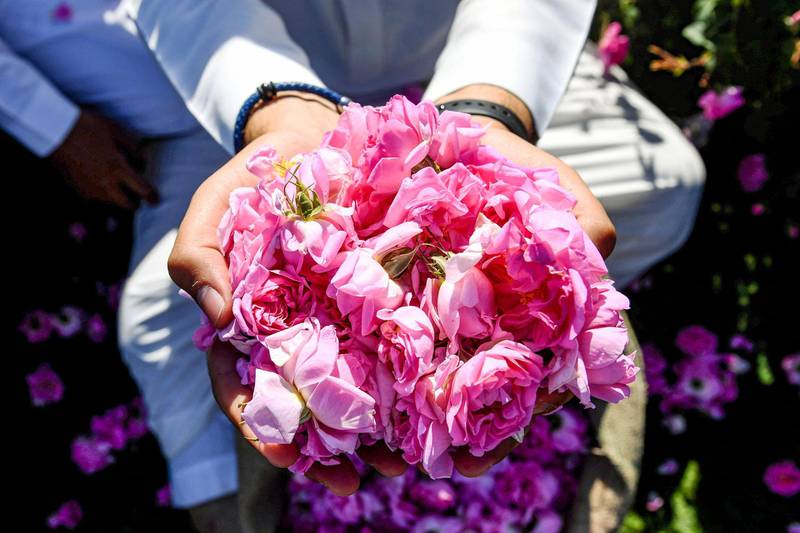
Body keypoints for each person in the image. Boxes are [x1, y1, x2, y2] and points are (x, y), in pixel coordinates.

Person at [124, 1, 704, 531]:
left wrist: (487, 111)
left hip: (469, 65)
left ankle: (542, 321)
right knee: (152, 314)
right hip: (264, 97)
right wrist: (278, 113)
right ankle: (228, 514)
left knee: (674, 184)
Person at [0, 0, 286, 516]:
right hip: (185, 130)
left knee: (274, 281)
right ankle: (234, 518)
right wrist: (56, 126)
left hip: (294, 85)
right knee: (158, 320)